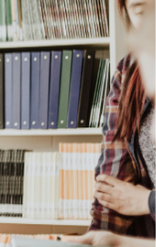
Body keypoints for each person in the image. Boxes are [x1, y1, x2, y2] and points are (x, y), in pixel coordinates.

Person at [88, 0, 156, 238]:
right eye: (141, 12)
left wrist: (147, 201)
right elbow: (113, 189)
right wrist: (98, 240)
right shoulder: (129, 71)